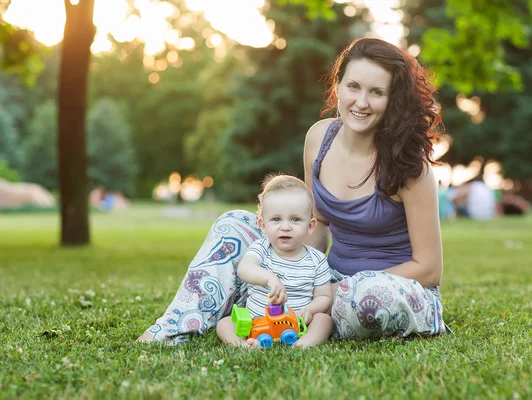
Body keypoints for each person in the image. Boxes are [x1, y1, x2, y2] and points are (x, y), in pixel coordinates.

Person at [138, 37, 448, 344]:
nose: (362, 102)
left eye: (376, 92)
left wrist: (341, 289)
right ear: (338, 85)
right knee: (233, 224)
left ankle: (311, 315)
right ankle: (178, 327)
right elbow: (315, 223)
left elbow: (429, 269)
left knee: (362, 296)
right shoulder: (319, 139)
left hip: (385, 291)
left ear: (391, 99)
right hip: (328, 285)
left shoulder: (411, 167)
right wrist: (296, 272)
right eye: (353, 86)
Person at [215, 174, 333, 349]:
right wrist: (269, 278)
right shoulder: (262, 248)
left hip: (298, 323)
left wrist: (311, 310)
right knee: (224, 324)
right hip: (255, 323)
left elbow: (324, 296)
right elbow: (244, 268)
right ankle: (243, 345)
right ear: (263, 225)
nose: (285, 226)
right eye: (276, 219)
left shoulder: (317, 259)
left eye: (295, 219)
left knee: (324, 320)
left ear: (310, 226)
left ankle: (304, 343)